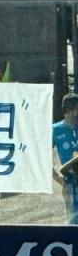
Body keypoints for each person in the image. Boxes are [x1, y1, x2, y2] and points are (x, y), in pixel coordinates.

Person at [53, 93, 78, 224]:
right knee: (74, 222)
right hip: (71, 184)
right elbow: (43, 158)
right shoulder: (55, 130)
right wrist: (59, 179)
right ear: (69, 111)